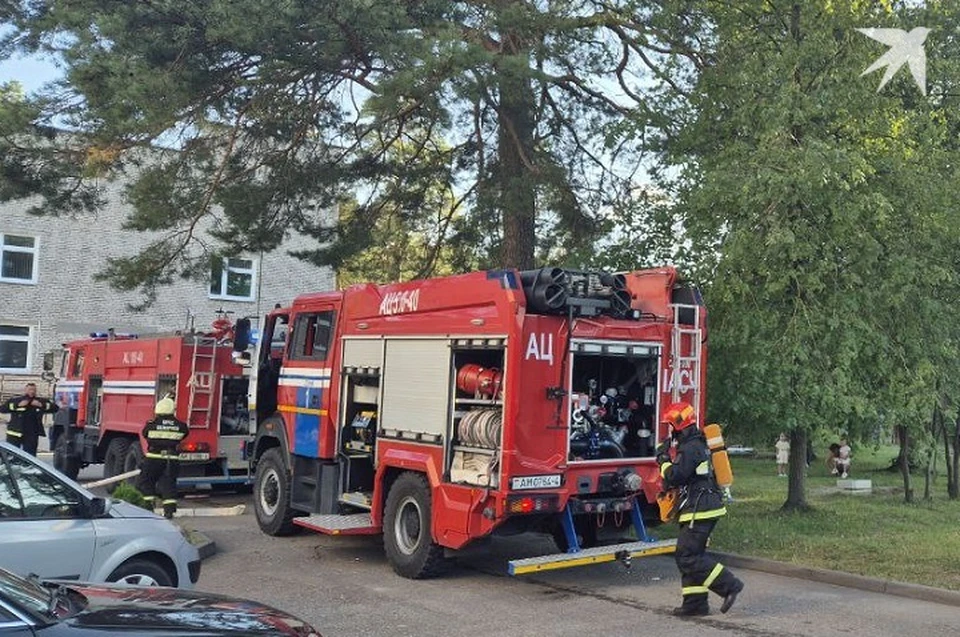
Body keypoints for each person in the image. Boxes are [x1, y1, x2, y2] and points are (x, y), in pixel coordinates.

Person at [657, 401, 744, 617]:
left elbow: (676, 476)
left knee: (686, 555)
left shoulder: (691, 447)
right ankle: (695, 604)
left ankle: (730, 585)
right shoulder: (697, 443)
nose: (670, 431)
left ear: (678, 427)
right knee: (691, 554)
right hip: (702, 506)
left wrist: (663, 460)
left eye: (670, 425)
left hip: (701, 508)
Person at [138, 396, 189, 519]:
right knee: (169, 484)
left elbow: (144, 433)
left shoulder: (151, 425)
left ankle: (148, 508)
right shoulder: (180, 426)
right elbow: (185, 434)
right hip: (171, 460)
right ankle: (169, 512)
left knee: (147, 483)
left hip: (153, 459)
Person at [0, 382, 58, 456]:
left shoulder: (41, 401)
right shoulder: (16, 400)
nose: (32, 391)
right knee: (12, 454)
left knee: (30, 455)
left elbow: (55, 408)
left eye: (34, 390)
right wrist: (17, 405)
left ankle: (27, 466)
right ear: (25, 390)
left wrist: (41, 405)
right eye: (30, 389)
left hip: (31, 433)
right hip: (14, 433)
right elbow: (2, 409)